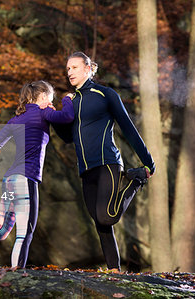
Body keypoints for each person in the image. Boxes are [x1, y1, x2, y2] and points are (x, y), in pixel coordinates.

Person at [53, 51, 156, 271]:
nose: (69, 72)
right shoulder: (71, 101)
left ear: (88, 68)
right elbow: (68, 137)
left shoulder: (105, 94)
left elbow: (128, 128)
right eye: (68, 68)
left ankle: (135, 179)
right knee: (100, 224)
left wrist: (148, 160)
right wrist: (52, 117)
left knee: (107, 216)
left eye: (74, 67)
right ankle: (114, 272)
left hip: (107, 162)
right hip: (86, 169)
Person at [0, 80, 74, 268]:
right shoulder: (44, 112)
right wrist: (68, 99)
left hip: (10, 179)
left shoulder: (16, 119)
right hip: (26, 179)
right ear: (44, 96)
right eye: (51, 97)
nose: (52, 101)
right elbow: (68, 116)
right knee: (24, 233)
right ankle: (15, 281)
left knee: (0, 232)